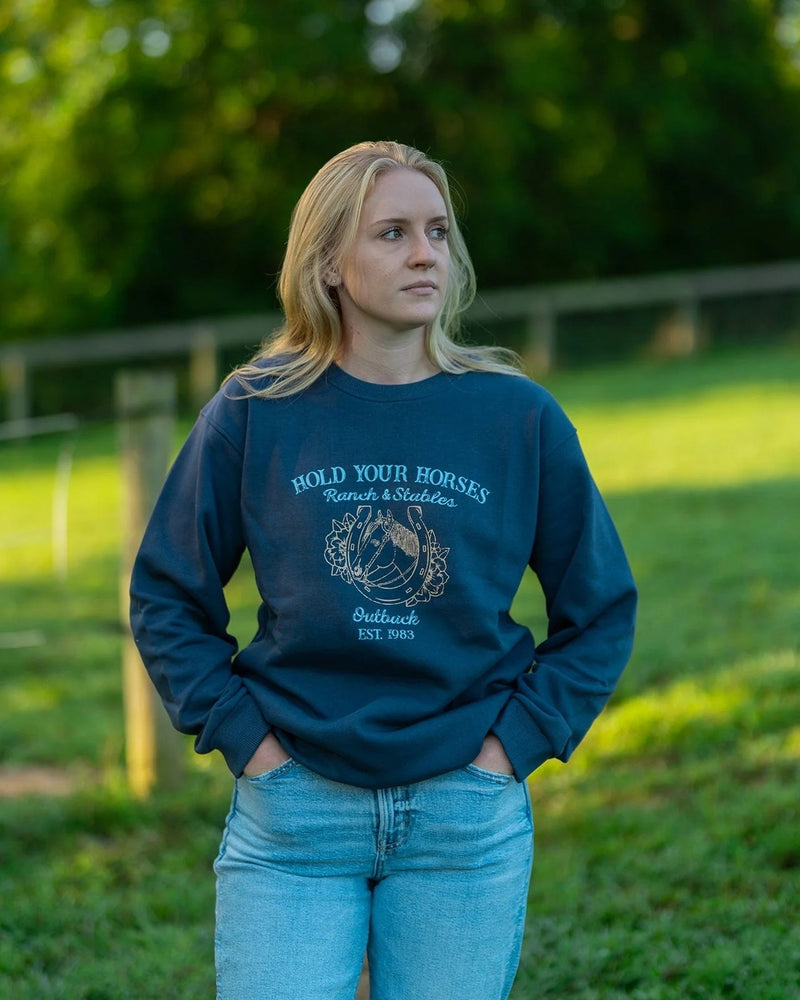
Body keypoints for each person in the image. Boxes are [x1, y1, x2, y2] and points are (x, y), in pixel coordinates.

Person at [129, 140, 637, 1000]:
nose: (425, 253)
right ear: (329, 262)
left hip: (464, 811)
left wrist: (509, 750)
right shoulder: (255, 411)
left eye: (438, 231)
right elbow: (167, 593)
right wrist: (249, 745)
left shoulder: (518, 417)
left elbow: (601, 608)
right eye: (392, 233)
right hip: (294, 809)